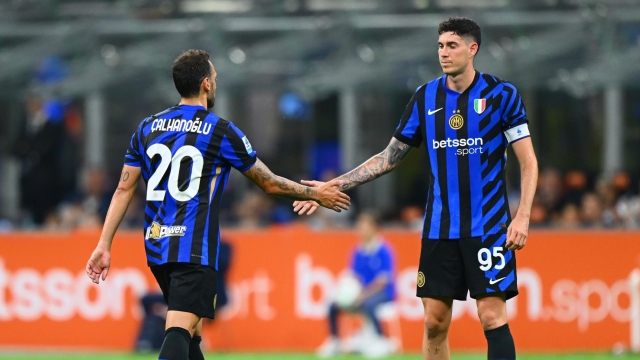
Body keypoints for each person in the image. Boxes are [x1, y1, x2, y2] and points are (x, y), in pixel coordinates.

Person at [294, 17, 538, 360]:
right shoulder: (426, 97)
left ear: (473, 49)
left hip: (489, 228)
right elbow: (389, 157)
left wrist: (522, 216)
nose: (444, 53)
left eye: (452, 46)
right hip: (439, 229)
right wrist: (334, 184)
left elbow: (528, 162)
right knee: (434, 322)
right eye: (440, 46)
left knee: (491, 316)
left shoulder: (502, 95)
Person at [85, 49, 350, 360]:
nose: (216, 82)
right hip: (193, 248)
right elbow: (268, 182)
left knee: (192, 333)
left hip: (158, 248)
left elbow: (122, 189)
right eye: (215, 78)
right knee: (179, 329)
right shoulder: (220, 130)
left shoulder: (147, 128)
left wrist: (104, 243)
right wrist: (314, 194)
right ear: (206, 84)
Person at [317, 212, 396, 358]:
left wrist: (362, 295)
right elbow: (354, 277)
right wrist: (346, 292)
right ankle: (335, 341)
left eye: (365, 227)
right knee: (333, 305)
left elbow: (383, 281)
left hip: (384, 293)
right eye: (360, 227)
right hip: (361, 293)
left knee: (369, 304)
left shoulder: (384, 250)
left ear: (375, 228)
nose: (361, 230)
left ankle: (381, 340)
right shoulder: (357, 251)